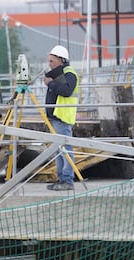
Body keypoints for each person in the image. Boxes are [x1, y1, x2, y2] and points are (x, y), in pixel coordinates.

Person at [43, 45, 79, 191]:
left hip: (62, 117)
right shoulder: (60, 74)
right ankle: (61, 179)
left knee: (65, 149)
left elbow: (66, 91)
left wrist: (51, 83)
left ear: (60, 60)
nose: (49, 64)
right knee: (58, 150)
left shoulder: (69, 74)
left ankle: (67, 180)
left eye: (52, 61)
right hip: (56, 116)